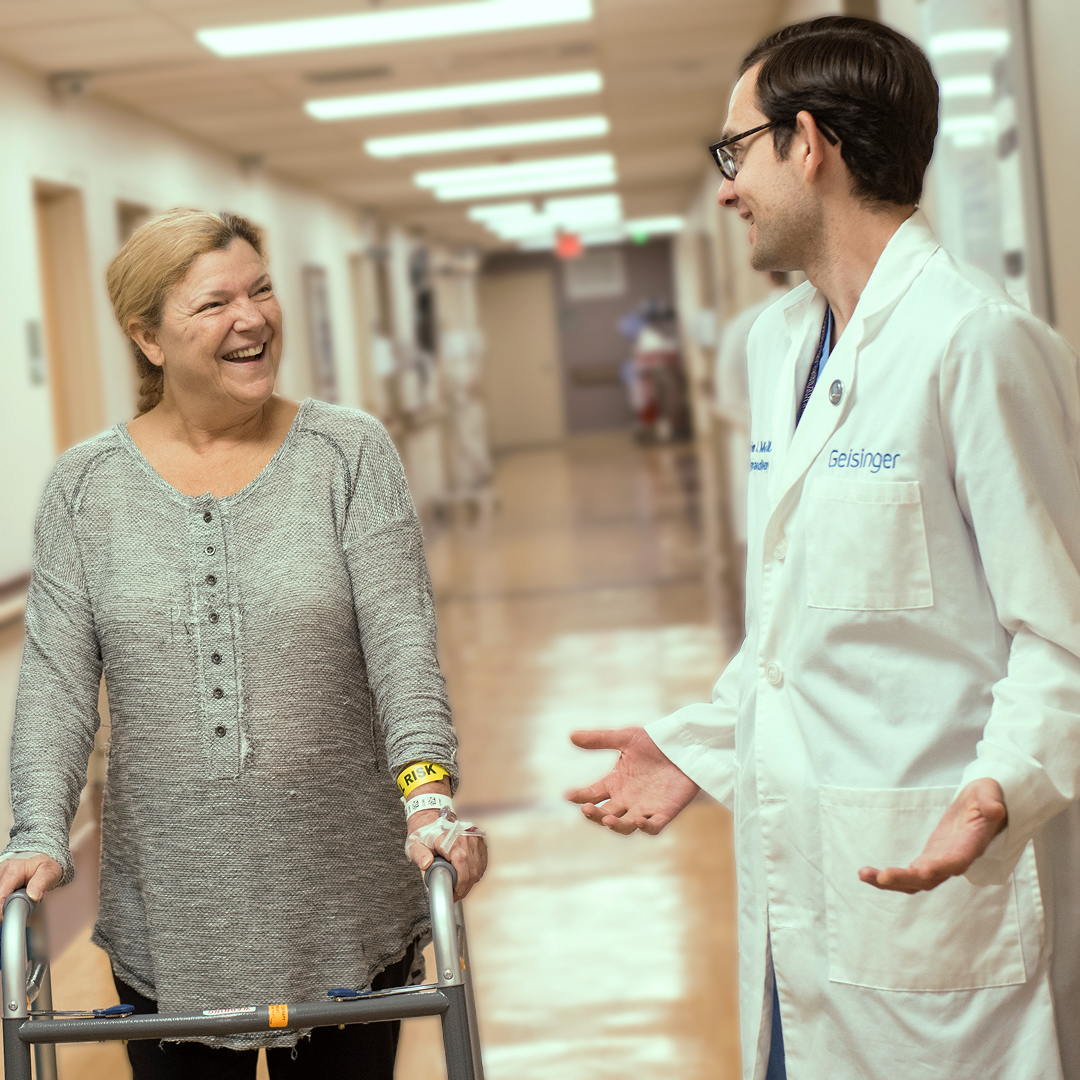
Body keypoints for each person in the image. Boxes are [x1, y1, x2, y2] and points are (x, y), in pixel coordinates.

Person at [569, 16, 1080, 1080]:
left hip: (933, 874)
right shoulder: (780, 344)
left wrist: (1003, 784)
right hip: (798, 892)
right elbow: (797, 624)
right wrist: (699, 741)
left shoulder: (976, 342)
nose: (727, 190)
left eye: (735, 152)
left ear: (808, 144)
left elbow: (1061, 632)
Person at [0, 208, 487, 1079]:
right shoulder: (85, 488)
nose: (252, 317)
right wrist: (36, 831)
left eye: (261, 290)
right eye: (215, 303)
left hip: (342, 900)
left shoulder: (348, 453)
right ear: (148, 338)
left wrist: (429, 799)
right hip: (171, 914)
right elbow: (57, 684)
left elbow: (402, 650)